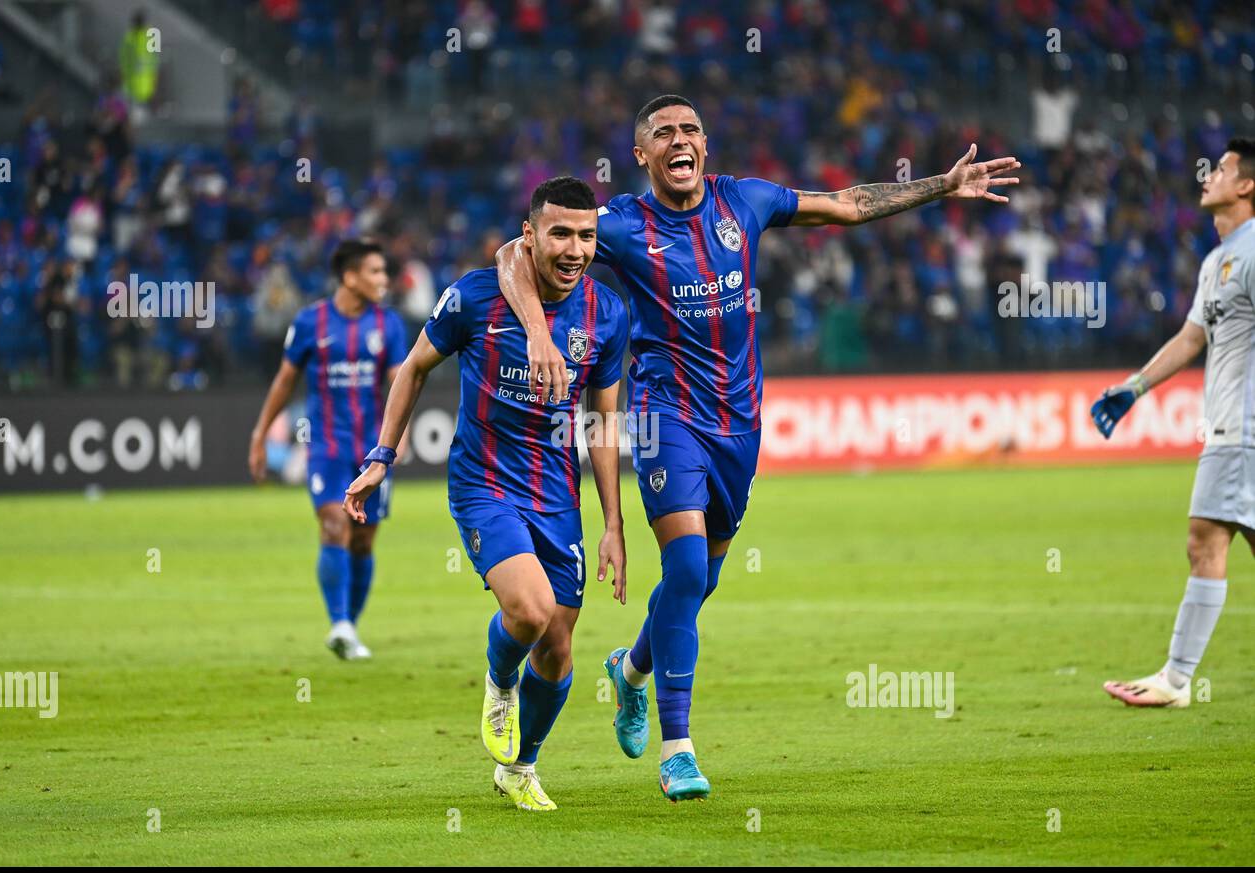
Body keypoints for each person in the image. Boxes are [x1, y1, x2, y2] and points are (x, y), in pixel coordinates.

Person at [496, 94, 1020, 801]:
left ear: (704, 148)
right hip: (665, 415)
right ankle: (679, 750)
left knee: (698, 584)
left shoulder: (745, 202)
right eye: (663, 134)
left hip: (739, 424)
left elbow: (850, 204)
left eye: (690, 130)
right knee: (683, 567)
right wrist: (533, 328)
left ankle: (630, 673)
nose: (679, 141)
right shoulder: (618, 223)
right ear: (642, 154)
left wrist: (942, 186)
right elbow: (512, 251)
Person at [345, 177, 629, 810]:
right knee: (528, 612)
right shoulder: (475, 297)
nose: (575, 248)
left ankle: (520, 767)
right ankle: (499, 680)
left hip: (559, 496)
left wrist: (613, 522)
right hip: (485, 483)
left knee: (557, 647)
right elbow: (413, 367)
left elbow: (604, 422)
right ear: (528, 235)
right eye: (560, 233)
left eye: (586, 235)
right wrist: (381, 457)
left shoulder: (607, 313)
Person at [1093, 138, 1255, 708]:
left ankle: (1176, 681)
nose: (1208, 174)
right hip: (1231, 430)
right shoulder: (1218, 260)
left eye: (1224, 168)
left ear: (1246, 186)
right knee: (1208, 540)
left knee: (1204, 539)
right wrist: (1134, 387)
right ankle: (1176, 680)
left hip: (1243, 430)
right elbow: (1192, 338)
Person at [249, 238, 408, 660]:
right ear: (350, 276)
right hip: (325, 446)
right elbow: (284, 381)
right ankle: (338, 623)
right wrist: (260, 432)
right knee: (335, 525)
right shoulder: (309, 322)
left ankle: (348, 628)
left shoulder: (388, 324)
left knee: (363, 541)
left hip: (372, 450)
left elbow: (399, 381)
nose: (383, 279)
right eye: (375, 271)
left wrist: (399, 434)